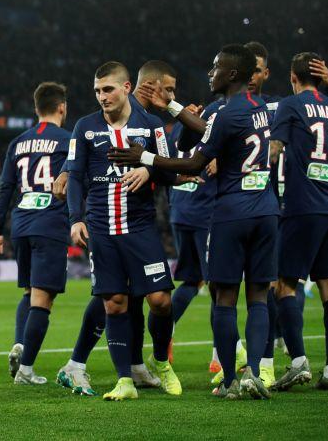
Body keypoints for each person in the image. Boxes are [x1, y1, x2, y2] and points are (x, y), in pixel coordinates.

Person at [110, 44, 279, 400]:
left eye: (216, 67)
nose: (210, 72)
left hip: (231, 214)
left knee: (224, 298)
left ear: (232, 74)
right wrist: (172, 107)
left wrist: (145, 156)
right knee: (260, 296)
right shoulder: (259, 108)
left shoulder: (226, 113)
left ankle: (231, 380)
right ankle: (260, 373)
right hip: (266, 211)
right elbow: (209, 130)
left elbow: (194, 164)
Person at [67, 61, 184, 401]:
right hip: (101, 229)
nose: (102, 97)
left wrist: (149, 170)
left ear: (127, 87)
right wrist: (76, 218)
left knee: (161, 300)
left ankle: (161, 361)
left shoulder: (151, 126)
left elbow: (172, 170)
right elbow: (75, 175)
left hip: (140, 226)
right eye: (97, 91)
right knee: (115, 303)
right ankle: (125, 381)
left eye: (108, 89)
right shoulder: (84, 128)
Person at [0, 82, 70, 384]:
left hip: (20, 223)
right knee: (42, 299)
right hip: (49, 223)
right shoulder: (68, 140)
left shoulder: (17, 142)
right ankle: (26, 369)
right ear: (62, 107)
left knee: (28, 292)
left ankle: (20, 343)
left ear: (36, 109)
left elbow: (6, 187)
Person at [269, 52, 328, 392]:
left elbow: (275, 149)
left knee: (284, 285)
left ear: (293, 78)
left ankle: (298, 362)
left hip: (302, 204)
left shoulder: (290, 105)